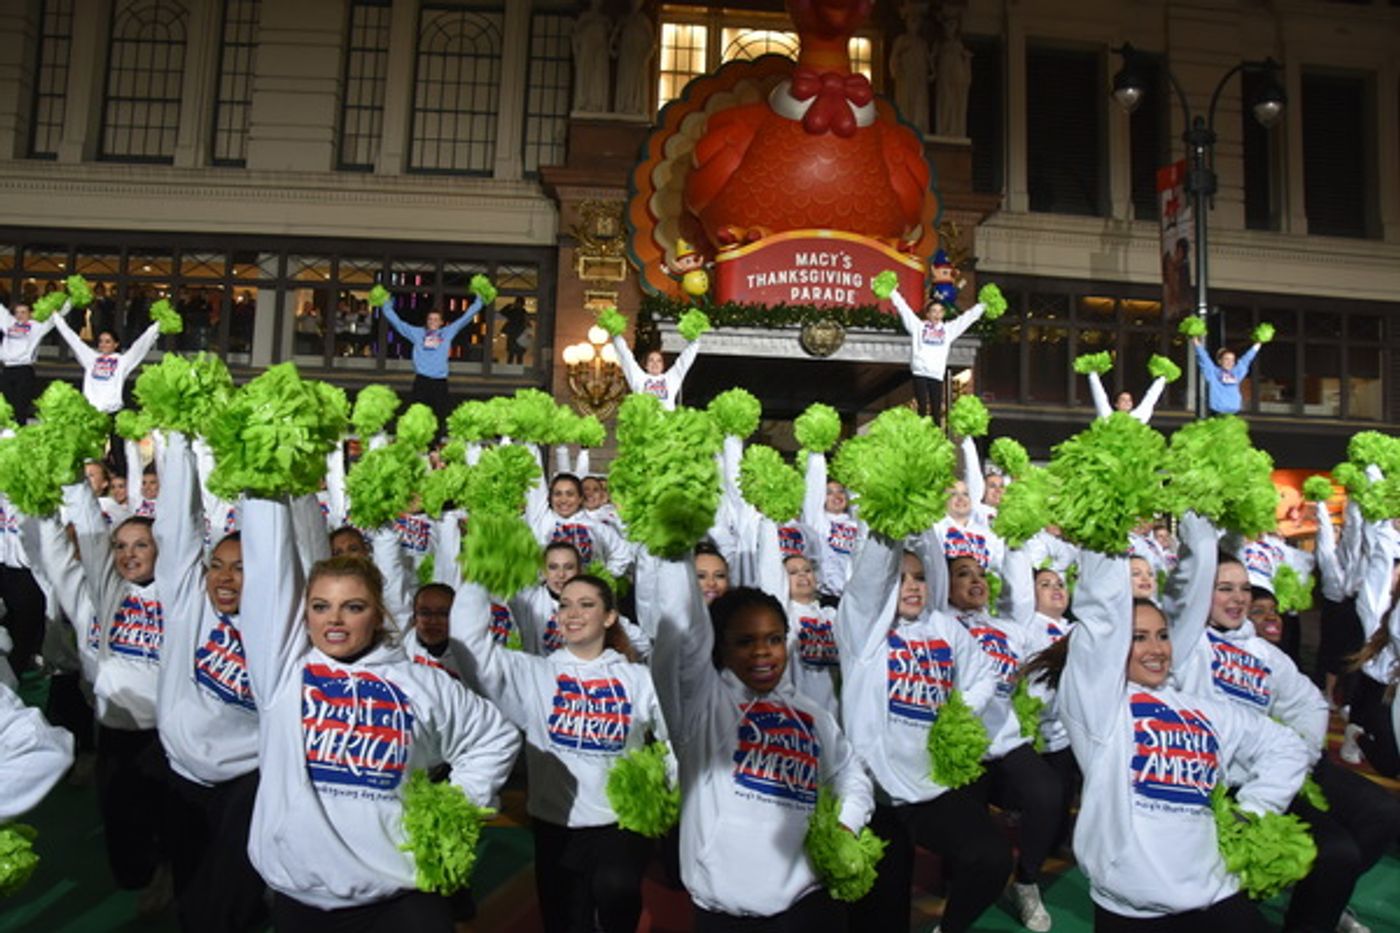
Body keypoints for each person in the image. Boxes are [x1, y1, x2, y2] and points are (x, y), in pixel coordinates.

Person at [238, 494, 520, 931]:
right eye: (320, 606)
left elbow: (496, 737)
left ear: (379, 613)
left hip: (402, 894)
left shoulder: (420, 683)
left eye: (353, 607)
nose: (335, 620)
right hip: (303, 899)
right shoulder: (283, 675)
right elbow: (266, 574)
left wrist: (453, 808)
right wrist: (266, 490)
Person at [1060, 546, 1311, 930]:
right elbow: (1099, 616)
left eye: (1162, 635)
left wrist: (1254, 809)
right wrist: (1104, 537)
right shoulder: (1101, 709)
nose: (1156, 649)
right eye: (1138, 638)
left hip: (1215, 891)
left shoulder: (1204, 710)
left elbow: (1287, 746)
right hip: (1134, 906)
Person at [638, 552, 875, 930]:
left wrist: (846, 825)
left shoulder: (812, 715)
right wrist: (674, 550)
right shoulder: (701, 707)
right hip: (725, 913)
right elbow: (680, 639)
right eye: (745, 641)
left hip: (808, 904)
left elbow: (850, 775)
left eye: (774, 639)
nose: (763, 651)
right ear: (720, 647)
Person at [457, 573, 667, 933]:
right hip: (556, 826)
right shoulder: (534, 673)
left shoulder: (638, 679)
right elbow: (468, 645)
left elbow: (674, 738)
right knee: (566, 923)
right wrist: (480, 574)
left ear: (610, 617)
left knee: (618, 894)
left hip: (621, 824)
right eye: (565, 605)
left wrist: (664, 781)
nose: (572, 613)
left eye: (586, 605)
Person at [837, 532, 1009, 933]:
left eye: (919, 577)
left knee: (992, 857)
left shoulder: (943, 627)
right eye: (900, 579)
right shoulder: (862, 630)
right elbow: (868, 580)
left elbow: (984, 674)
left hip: (931, 788)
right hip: (875, 793)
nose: (912, 586)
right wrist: (889, 524)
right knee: (882, 917)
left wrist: (958, 714)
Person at [152, 432, 265, 933]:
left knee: (235, 891)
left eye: (240, 569)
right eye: (217, 565)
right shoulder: (186, 602)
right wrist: (178, 443)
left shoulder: (276, 624)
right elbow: (176, 529)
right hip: (181, 771)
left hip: (248, 777)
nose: (224, 577)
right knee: (191, 887)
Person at [379, 294, 483, 432]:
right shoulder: (417, 333)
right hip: (422, 381)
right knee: (418, 417)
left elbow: (465, 318)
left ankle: (435, 449)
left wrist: (480, 301)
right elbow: (397, 323)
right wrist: (386, 306)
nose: (433, 321)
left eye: (436, 319)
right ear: (427, 321)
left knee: (439, 417)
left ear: (441, 322)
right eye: (430, 319)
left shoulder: (447, 333)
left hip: (440, 382)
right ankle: (419, 446)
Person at [889, 288, 985, 424]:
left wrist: (983, 305)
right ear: (927, 314)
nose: (937, 314)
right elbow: (905, 310)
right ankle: (921, 438)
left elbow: (966, 319)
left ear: (944, 314)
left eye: (940, 311)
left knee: (936, 411)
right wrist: (893, 292)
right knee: (921, 409)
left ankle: (936, 439)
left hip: (936, 374)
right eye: (933, 311)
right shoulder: (918, 327)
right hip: (920, 372)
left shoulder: (948, 330)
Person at [51, 315, 162, 414]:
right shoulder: (91, 358)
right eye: (101, 341)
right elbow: (72, 339)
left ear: (116, 344)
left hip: (111, 412)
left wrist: (159, 324)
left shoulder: (123, 361)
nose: (103, 345)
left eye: (108, 341)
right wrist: (56, 316)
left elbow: (141, 344)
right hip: (90, 412)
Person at [0, 297, 62, 423]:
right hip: (7, 370)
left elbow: (53, 319)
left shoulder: (36, 327)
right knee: (7, 407)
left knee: (20, 408)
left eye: (23, 312)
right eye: (17, 312)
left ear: (30, 313)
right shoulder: (8, 322)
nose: (20, 315)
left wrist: (66, 304)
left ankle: (21, 436)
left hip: (24, 370)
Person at [611, 336, 702, 412]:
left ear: (663, 366)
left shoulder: (671, 378)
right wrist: (616, 334)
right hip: (645, 427)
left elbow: (685, 359)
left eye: (659, 361)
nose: (655, 364)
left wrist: (695, 340)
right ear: (646, 365)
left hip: (666, 427)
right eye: (651, 360)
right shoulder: (639, 378)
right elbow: (626, 356)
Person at [1192, 336, 1261, 416]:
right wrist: (1195, 341)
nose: (1230, 362)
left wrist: (1258, 343)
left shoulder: (1236, 372)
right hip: (1218, 412)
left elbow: (1247, 358)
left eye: (1232, 360)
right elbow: (1203, 357)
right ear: (1220, 361)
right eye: (1226, 359)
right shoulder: (1213, 372)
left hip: (1234, 412)